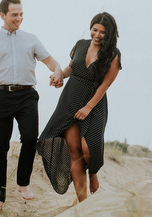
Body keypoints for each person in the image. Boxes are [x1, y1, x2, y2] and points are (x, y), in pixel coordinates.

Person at [0, 0, 64, 214]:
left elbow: (50, 61)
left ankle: (23, 182)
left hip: (27, 96)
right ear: (2, 15)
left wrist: (57, 70)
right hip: (0, 97)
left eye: (21, 14)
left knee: (31, 138)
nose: (19, 18)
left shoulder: (31, 39)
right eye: (14, 15)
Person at [37, 12, 121, 203]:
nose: (97, 35)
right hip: (70, 100)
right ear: (90, 28)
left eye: (102, 32)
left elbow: (105, 85)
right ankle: (83, 202)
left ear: (109, 34)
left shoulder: (113, 55)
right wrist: (60, 76)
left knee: (88, 149)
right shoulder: (80, 45)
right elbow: (70, 69)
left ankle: (93, 172)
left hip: (94, 104)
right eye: (95, 30)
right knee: (74, 150)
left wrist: (88, 108)